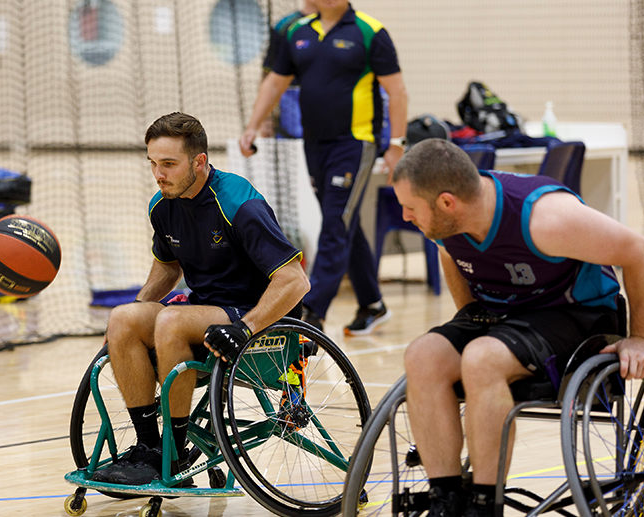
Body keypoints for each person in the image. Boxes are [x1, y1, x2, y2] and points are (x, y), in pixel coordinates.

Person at [393, 138, 644, 517]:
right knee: (422, 355)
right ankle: (445, 498)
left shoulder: (545, 218)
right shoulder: (445, 222)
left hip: (575, 314)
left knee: (482, 359)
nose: (404, 216)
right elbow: (449, 253)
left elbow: (639, 251)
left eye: (410, 207)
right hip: (506, 311)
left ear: (448, 202)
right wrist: (469, 312)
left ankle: (485, 504)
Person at [92, 112, 310, 487]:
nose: (159, 174)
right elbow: (166, 268)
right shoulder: (162, 206)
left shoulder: (238, 202)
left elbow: (295, 281)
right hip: (206, 314)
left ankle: (174, 456)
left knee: (171, 320)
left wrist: (246, 327)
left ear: (199, 162)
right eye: (154, 164)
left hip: (258, 321)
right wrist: (133, 315)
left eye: (169, 164)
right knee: (123, 318)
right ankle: (149, 449)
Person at [239, 0, 408, 336]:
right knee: (345, 221)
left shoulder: (370, 32)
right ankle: (372, 303)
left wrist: (396, 144)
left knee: (334, 222)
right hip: (314, 144)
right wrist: (253, 125)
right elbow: (276, 81)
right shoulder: (296, 32)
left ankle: (311, 313)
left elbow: (397, 91)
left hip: (355, 143)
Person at [259, 0, 317, 138]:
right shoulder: (285, 26)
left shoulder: (342, 26)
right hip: (291, 106)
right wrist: (265, 118)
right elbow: (268, 73)